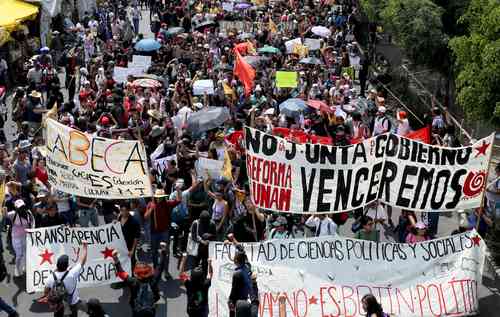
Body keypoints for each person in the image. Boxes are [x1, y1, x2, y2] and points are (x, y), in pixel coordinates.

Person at [111, 245, 167, 317]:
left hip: (137, 310)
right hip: (150, 310)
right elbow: (160, 267)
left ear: (136, 274)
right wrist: (163, 251)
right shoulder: (154, 280)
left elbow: (121, 273)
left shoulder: (133, 281)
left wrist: (115, 258)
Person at [45, 242, 88, 317]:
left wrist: (52, 300)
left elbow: (46, 292)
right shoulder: (72, 273)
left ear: (57, 265)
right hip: (72, 303)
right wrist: (85, 247)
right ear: (67, 265)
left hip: (58, 305)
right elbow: (82, 261)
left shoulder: (50, 277)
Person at [2, 199, 35, 277]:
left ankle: (25, 266)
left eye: (23, 206)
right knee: (19, 254)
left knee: (26, 253)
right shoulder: (13, 214)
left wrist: (32, 230)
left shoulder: (28, 213)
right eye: (20, 207)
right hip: (16, 238)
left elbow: (33, 221)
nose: (22, 208)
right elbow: (5, 215)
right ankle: (16, 268)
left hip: (26, 236)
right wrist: (4, 208)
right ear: (16, 208)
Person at [117, 202, 140, 270]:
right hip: (121, 245)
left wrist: (132, 250)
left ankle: (132, 275)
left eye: (125, 210)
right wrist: (115, 223)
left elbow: (136, 237)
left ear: (129, 210)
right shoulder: (120, 217)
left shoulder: (134, 221)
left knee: (131, 261)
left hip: (130, 246)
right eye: (122, 210)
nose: (123, 212)